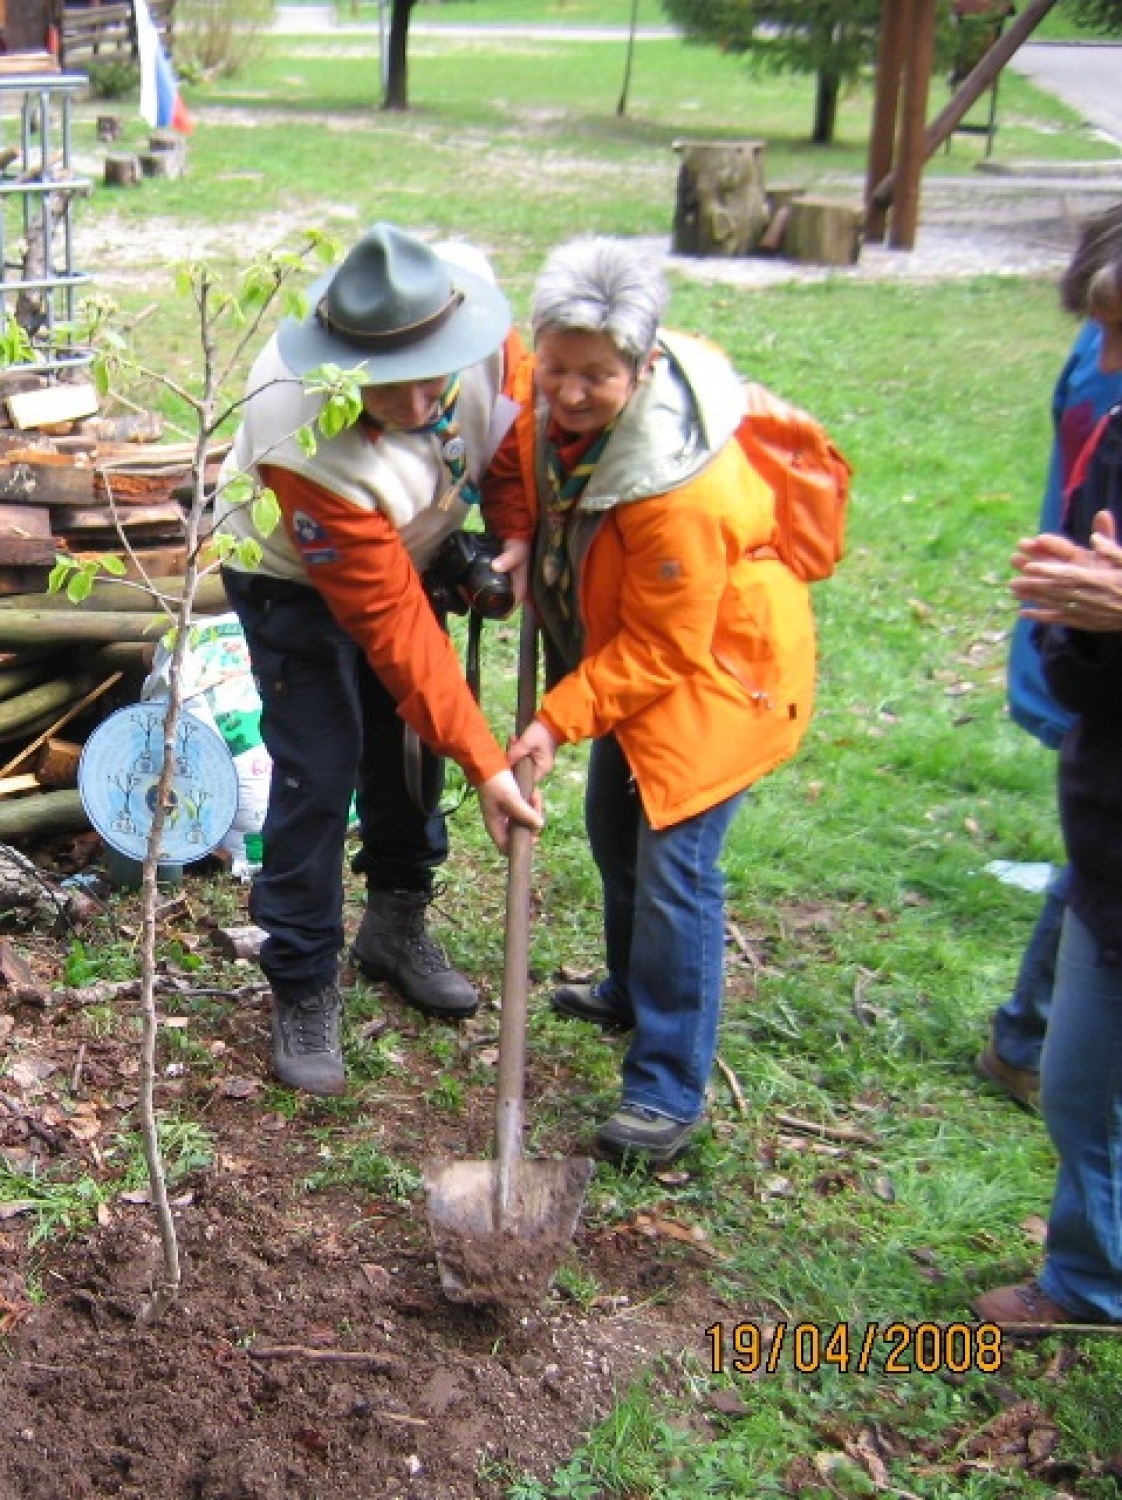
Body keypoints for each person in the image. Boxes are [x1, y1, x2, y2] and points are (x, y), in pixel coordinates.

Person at [482, 236, 816, 1166]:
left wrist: (553, 719)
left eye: (597, 376)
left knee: (675, 868)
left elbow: (665, 645)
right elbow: (521, 457)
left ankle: (667, 1087)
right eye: (555, 370)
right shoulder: (552, 407)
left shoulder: (678, 490)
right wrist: (514, 537)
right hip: (634, 659)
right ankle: (630, 989)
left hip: (721, 674)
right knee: (608, 825)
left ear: (644, 363)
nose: (570, 392)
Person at [215, 222, 541, 1098]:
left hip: (412, 539)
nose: (421, 400)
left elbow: (510, 429)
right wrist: (489, 764)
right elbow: (394, 630)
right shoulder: (301, 435)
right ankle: (303, 977)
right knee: (320, 771)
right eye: (390, 388)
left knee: (407, 750)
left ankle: (396, 922)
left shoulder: (475, 319)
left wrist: (510, 528)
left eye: (436, 374)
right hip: (293, 579)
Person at [973, 412, 1122, 1330]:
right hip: (1109, 835)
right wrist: (1087, 631)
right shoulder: (1116, 441)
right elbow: (1077, 678)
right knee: (1075, 1086)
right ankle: (1093, 1278)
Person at [975, 204, 1122, 1113]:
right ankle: (1029, 1032)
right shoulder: (1098, 381)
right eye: (1098, 330)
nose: (1103, 361)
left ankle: (1031, 1029)